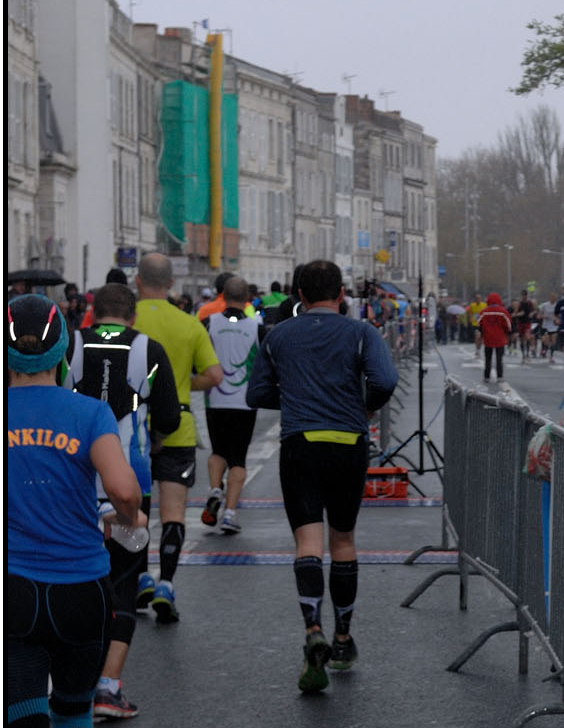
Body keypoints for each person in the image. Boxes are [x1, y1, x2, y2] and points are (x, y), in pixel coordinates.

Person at [7, 294, 144, 728]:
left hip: (13, 591)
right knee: (75, 718)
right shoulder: (89, 413)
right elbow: (122, 490)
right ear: (65, 351)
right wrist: (129, 516)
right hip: (80, 587)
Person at [246, 260, 399, 692]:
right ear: (341, 294)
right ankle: (343, 638)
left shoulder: (279, 336)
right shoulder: (361, 332)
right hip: (348, 443)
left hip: (300, 444)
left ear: (299, 295)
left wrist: (296, 394)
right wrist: (363, 405)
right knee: (344, 540)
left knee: (307, 543)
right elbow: (386, 379)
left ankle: (312, 627)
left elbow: (255, 393)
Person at [66, 283, 179, 723]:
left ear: (93, 313)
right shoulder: (149, 350)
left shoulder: (71, 346)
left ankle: (73, 679)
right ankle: (109, 687)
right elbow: (169, 416)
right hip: (131, 482)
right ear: (132, 317)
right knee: (125, 581)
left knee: (75, 575)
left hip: (74, 480)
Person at [131, 252, 222, 625]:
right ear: (172, 284)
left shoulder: (128, 321)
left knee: (132, 511)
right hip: (178, 426)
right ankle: (166, 583)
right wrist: (184, 384)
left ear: (137, 281)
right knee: (173, 513)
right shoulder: (189, 324)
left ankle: (139, 578)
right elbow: (215, 376)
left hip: (132, 429)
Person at [199, 277, 261, 535]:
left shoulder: (208, 323)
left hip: (215, 399)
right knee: (238, 458)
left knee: (218, 450)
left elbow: (198, 357)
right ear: (247, 298)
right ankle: (231, 513)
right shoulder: (258, 327)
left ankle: (215, 489)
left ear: (223, 295)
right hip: (244, 401)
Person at [478, 292, 511, 381]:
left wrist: (483, 332)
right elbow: (508, 325)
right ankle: (499, 376)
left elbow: (479, 323)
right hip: (500, 338)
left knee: (488, 359)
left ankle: (486, 376)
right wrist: (507, 333)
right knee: (499, 359)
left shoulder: (484, 312)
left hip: (488, 338)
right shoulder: (503, 312)